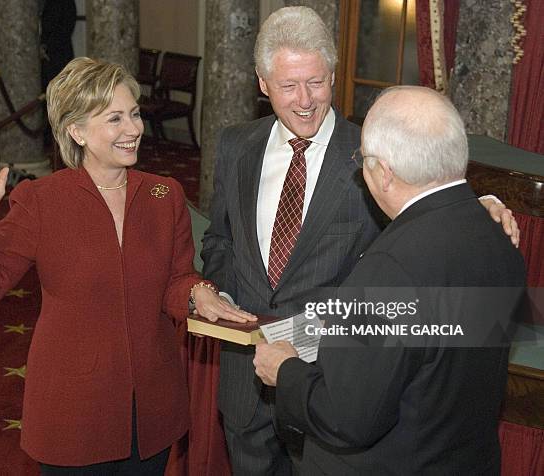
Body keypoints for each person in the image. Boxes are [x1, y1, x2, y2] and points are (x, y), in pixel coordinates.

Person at [201, 6, 519, 475]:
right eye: (289, 86)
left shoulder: (372, 151)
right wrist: (217, 291)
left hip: (339, 392)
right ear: (262, 83)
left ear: (333, 73)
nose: (306, 100)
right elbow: (219, 240)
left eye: (317, 82)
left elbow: (428, 217)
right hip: (246, 382)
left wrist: (481, 203)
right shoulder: (234, 145)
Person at [0, 57, 251, 475]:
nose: (133, 129)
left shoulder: (165, 195)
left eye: (134, 113)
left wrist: (199, 291)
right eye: (114, 119)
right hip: (73, 409)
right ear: (77, 131)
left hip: (151, 406)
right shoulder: (42, 201)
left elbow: (176, 279)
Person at [253, 85, 525, 474]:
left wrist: (285, 371)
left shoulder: (390, 269)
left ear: (382, 173)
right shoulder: (500, 235)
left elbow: (348, 418)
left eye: (361, 159)